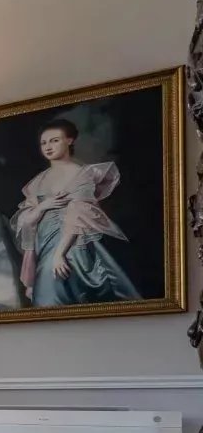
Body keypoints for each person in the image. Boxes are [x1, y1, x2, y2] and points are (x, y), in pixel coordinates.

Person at [10, 118, 139, 308]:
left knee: (54, 291)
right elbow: (26, 219)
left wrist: (60, 253)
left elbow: (79, 213)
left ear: (69, 140)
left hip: (72, 244)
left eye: (55, 140)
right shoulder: (38, 180)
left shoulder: (81, 173)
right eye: (44, 142)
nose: (48, 146)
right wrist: (42, 207)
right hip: (43, 244)